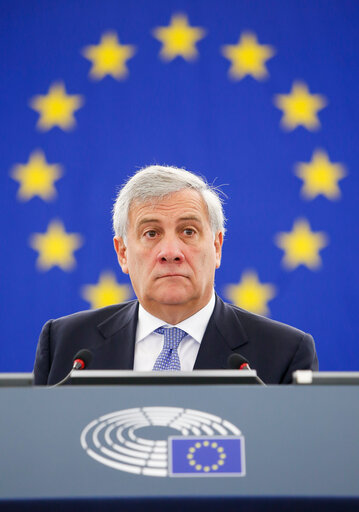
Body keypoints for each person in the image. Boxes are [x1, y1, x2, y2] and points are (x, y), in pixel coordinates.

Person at [33, 165, 318, 385]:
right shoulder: (66, 345)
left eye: (188, 231)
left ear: (217, 247)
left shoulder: (284, 353)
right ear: (122, 253)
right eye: (151, 233)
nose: (170, 251)